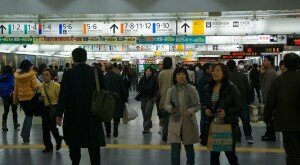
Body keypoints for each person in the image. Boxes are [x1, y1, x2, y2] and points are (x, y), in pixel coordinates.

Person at [56, 48, 106, 165]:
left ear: (73, 58)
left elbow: (63, 95)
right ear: (86, 57)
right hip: (92, 113)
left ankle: (75, 163)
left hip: (73, 115)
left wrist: (59, 114)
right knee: (93, 144)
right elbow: (103, 90)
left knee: (74, 143)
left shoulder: (68, 73)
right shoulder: (96, 72)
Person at [264, 53, 300, 165]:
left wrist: (267, 118)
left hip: (286, 122)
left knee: (291, 152)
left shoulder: (279, 80)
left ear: (285, 64)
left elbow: (270, 102)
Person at [203, 63, 242, 165]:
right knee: (214, 156)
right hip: (213, 126)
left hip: (227, 126)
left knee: (230, 155)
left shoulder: (231, 88)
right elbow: (205, 104)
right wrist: (206, 109)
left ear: (224, 73)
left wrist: (226, 112)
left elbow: (239, 106)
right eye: (213, 70)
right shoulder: (208, 87)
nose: (214, 72)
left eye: (218, 70)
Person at [165, 67, 200, 165]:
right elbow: (166, 104)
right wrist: (170, 109)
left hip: (188, 121)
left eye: (183, 74)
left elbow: (197, 105)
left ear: (187, 76)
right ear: (175, 77)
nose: (181, 76)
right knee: (175, 148)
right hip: (175, 122)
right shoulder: (171, 90)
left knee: (189, 147)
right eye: (178, 74)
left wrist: (190, 111)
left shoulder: (192, 89)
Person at [226, 60, 253, 144]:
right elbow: (248, 89)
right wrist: (249, 100)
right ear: (235, 66)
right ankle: (248, 137)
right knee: (245, 121)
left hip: (231, 104)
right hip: (242, 102)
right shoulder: (242, 76)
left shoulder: (226, 77)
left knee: (234, 121)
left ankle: (237, 137)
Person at [13, 60, 38, 143]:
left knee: (27, 116)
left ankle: (23, 135)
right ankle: (26, 137)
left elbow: (15, 90)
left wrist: (15, 100)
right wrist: (39, 86)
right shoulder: (32, 75)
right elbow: (34, 88)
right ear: (28, 66)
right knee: (29, 117)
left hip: (22, 100)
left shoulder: (17, 76)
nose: (31, 67)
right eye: (30, 65)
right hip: (30, 99)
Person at [39, 68, 63, 153]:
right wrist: (40, 99)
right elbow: (39, 96)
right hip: (44, 109)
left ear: (51, 76)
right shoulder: (41, 86)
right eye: (43, 75)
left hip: (54, 108)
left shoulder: (57, 86)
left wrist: (60, 111)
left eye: (47, 75)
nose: (45, 77)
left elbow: (60, 99)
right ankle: (48, 146)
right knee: (45, 128)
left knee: (52, 126)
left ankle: (58, 138)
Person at [103, 63, 128, 138]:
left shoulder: (103, 78)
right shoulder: (118, 77)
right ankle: (116, 129)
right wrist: (124, 98)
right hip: (117, 99)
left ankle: (108, 132)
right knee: (116, 115)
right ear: (112, 68)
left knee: (107, 115)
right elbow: (123, 89)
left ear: (105, 68)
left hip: (107, 99)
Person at [261, 55, 278, 141]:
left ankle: (271, 135)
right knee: (269, 118)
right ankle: (268, 134)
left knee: (268, 118)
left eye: (265, 60)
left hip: (269, 100)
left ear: (270, 62)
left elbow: (268, 88)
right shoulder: (268, 71)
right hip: (269, 99)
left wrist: (266, 101)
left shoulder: (270, 73)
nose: (263, 62)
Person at [137, 67, 158, 134]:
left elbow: (155, 88)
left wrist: (155, 97)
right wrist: (144, 88)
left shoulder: (154, 79)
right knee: (143, 111)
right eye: (147, 71)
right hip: (143, 97)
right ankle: (149, 124)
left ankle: (146, 128)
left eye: (149, 71)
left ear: (151, 72)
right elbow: (139, 87)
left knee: (147, 112)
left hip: (150, 98)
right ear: (145, 72)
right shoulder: (142, 79)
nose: (148, 72)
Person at [158, 57, 174, 141]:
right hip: (173, 95)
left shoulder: (161, 73)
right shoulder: (174, 72)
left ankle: (165, 132)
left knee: (165, 115)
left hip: (164, 95)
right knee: (172, 115)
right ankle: (171, 132)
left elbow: (159, 86)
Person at [0, 65, 20, 131]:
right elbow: (14, 86)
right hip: (12, 95)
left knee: (6, 111)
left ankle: (4, 125)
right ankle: (15, 124)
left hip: (4, 96)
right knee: (14, 110)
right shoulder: (12, 77)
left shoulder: (0, 78)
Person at [197, 63, 212, 132]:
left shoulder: (204, 78)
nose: (212, 69)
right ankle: (203, 134)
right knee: (204, 118)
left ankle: (203, 134)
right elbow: (201, 92)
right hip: (205, 102)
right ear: (207, 69)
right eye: (211, 68)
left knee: (204, 118)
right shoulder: (206, 79)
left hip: (204, 101)